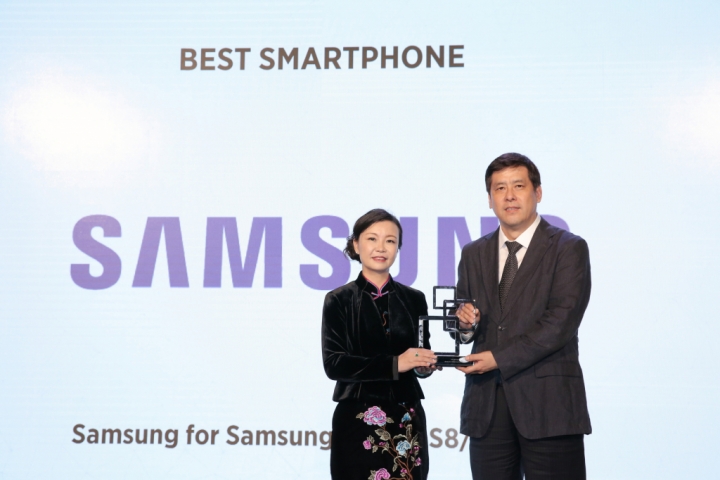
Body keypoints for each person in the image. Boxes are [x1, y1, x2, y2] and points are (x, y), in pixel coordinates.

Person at [454, 153, 592, 480]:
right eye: (500, 188)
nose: (509, 196)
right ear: (490, 199)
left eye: (518, 186)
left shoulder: (568, 248)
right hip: (487, 406)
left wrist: (498, 358)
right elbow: (461, 317)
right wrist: (464, 324)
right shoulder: (473, 252)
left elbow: (560, 323)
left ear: (537, 193)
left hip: (549, 406)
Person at [322, 208, 437, 480]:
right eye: (372, 239)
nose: (381, 247)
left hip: (406, 415)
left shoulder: (414, 299)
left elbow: (421, 355)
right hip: (357, 416)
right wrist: (396, 363)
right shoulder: (338, 299)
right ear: (356, 244)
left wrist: (425, 366)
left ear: (398, 248)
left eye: (390, 240)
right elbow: (334, 364)